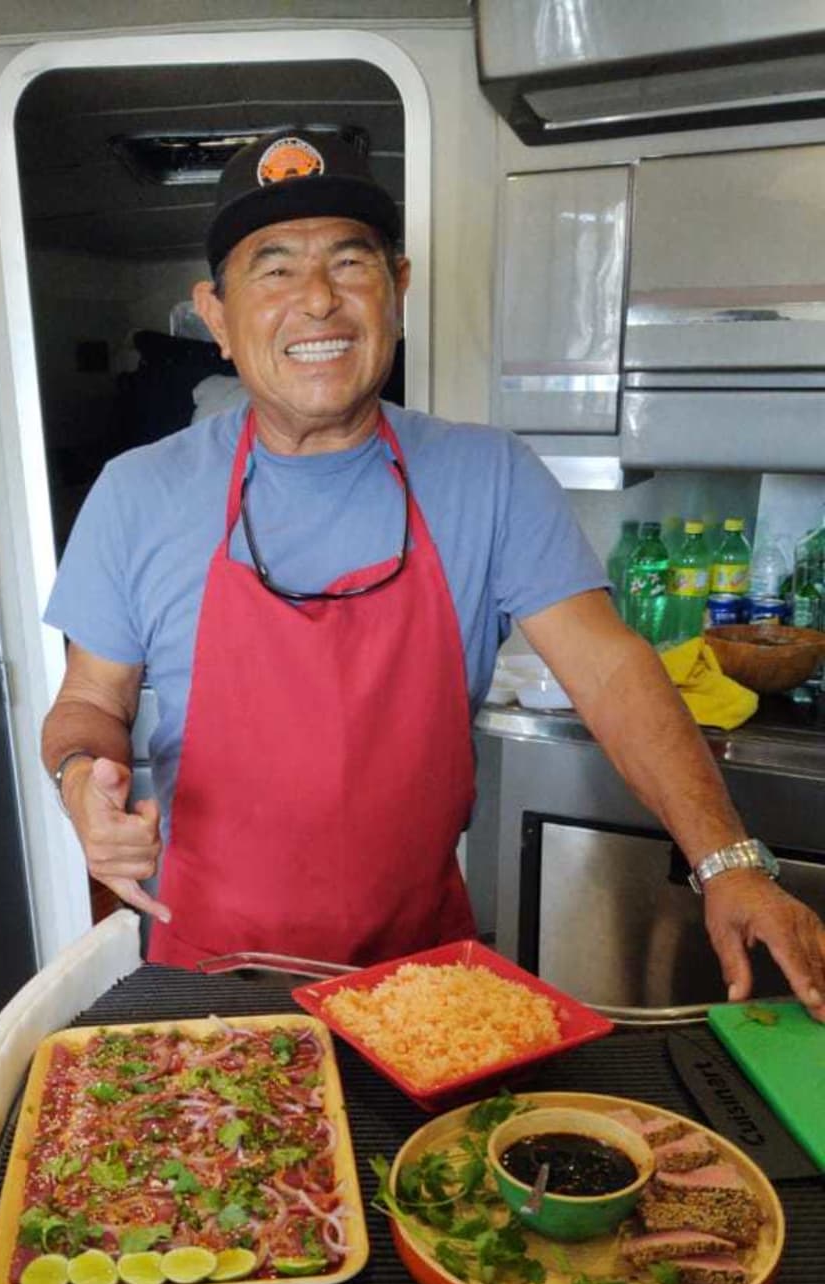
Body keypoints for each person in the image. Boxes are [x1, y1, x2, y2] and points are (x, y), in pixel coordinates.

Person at [41, 127, 825, 1018]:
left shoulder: (489, 476)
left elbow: (610, 671)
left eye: (350, 262)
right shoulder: (139, 492)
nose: (318, 300)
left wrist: (729, 862)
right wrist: (82, 778)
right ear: (216, 317)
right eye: (274, 269)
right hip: (208, 986)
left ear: (398, 289)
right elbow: (90, 701)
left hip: (423, 990)